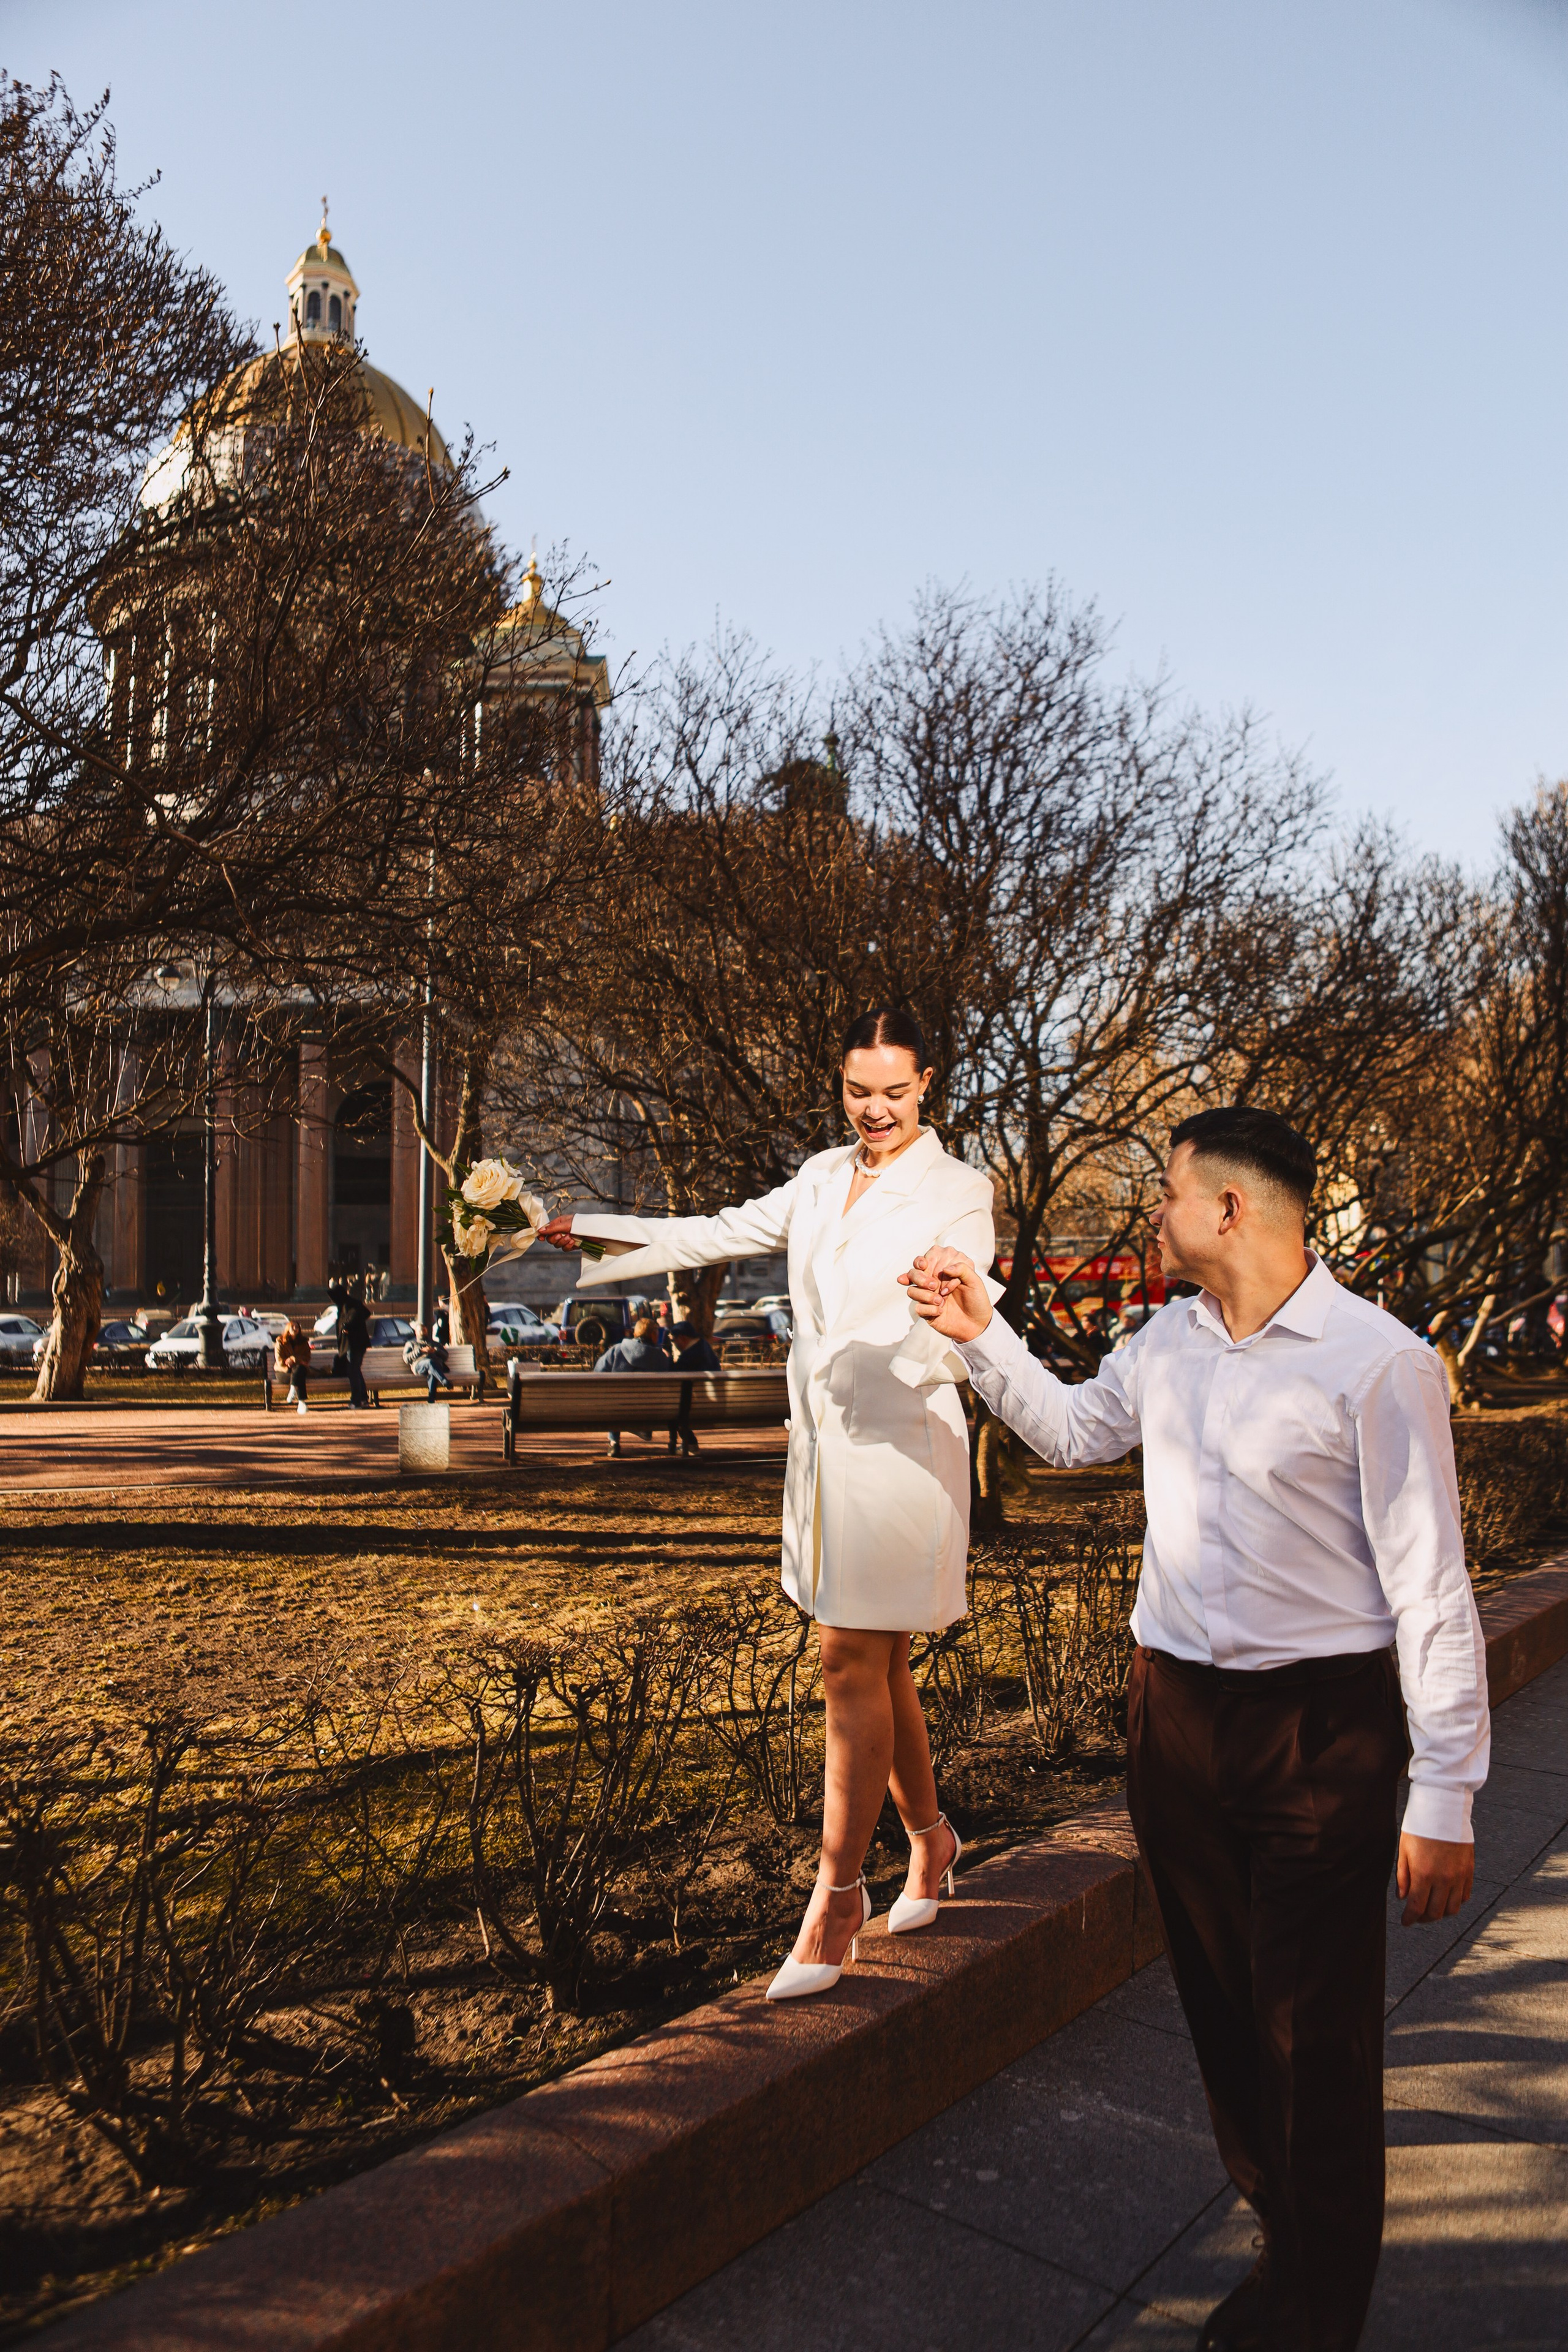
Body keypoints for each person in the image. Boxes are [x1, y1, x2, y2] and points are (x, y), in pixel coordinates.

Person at [902, 1104, 1490, 2352]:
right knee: (1226, 2016)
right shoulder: (1166, 1341)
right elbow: (1075, 1431)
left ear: (1230, 1207)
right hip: (1173, 1720)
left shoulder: (1376, 1363)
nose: (1154, 1213)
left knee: (1315, 2039)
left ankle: (1315, 2313)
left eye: (1168, 1191)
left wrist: (1445, 1790)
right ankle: (1286, 2242)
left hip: (1317, 1733)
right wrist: (978, 1332)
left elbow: (1430, 1587)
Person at [540, 1006, 996, 2001]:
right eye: (858, 1090)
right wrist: (597, 1227)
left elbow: (964, 1306)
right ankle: (931, 1839)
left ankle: (837, 1896)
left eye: (895, 1091)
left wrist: (929, 1323)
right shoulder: (820, 1177)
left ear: (928, 1086)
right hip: (824, 1460)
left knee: (846, 1659)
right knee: (882, 1663)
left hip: (903, 1454)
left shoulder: (960, 1190)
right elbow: (713, 1233)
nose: (875, 1110)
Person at [592, 1313, 671, 1457]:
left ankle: (614, 1443)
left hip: (619, 1409)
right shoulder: (661, 1357)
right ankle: (652, 1432)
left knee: (614, 1399)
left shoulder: (617, 1349)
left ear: (636, 1333)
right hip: (651, 1410)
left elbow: (598, 1371)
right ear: (653, 1335)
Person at [666, 1318, 720, 1457]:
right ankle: (690, 1444)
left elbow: (673, 1374)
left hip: (694, 1408)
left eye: (674, 1341)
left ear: (683, 1338)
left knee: (672, 1409)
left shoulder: (689, 1356)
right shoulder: (704, 1347)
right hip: (716, 1404)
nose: (675, 1344)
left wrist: (668, 1358)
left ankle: (690, 1444)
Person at [404, 1320, 451, 1403]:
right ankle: (444, 1381)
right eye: (420, 1330)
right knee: (430, 1362)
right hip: (419, 1365)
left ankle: (431, 1399)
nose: (423, 1332)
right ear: (416, 1332)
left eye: (424, 1330)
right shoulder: (411, 1343)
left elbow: (446, 1356)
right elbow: (406, 1359)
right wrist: (420, 1351)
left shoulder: (435, 1343)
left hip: (435, 1366)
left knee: (433, 1372)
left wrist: (435, 1351)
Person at [275, 1316, 312, 1415]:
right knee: (300, 1375)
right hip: (284, 1372)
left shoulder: (303, 1342)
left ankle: (293, 1390)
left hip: (299, 1370)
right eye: (293, 1327)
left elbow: (307, 1358)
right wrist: (297, 1360)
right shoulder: (280, 1342)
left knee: (300, 1370)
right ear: (288, 1328)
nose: (296, 1329)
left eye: (297, 1327)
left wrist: (293, 1359)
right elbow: (280, 1362)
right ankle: (302, 1403)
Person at [341, 1286, 371, 1409]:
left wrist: (347, 1326)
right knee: (356, 1370)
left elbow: (350, 1320)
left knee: (353, 1371)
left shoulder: (348, 1305)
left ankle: (356, 1401)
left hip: (353, 1343)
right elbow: (367, 1313)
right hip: (362, 1342)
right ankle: (363, 1399)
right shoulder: (357, 1303)